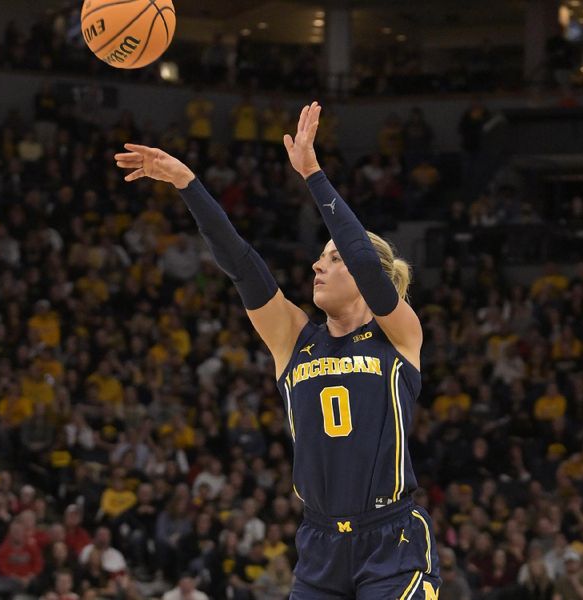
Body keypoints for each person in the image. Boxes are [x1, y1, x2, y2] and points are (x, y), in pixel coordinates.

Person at [115, 100, 440, 598]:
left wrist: (312, 174)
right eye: (319, 258)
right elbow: (243, 266)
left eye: (331, 259)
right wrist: (188, 184)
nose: (316, 266)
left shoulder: (399, 335)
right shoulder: (294, 337)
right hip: (320, 545)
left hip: (391, 542)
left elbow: (363, 257)